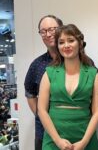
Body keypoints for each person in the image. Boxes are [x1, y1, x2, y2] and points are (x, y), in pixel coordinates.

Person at [37, 24, 98, 150]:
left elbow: (97, 112)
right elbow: (41, 110)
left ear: (80, 42)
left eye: (71, 40)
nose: (66, 45)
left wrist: (84, 142)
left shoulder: (93, 74)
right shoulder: (49, 73)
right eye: (61, 42)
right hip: (54, 140)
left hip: (85, 139)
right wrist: (58, 141)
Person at [24, 15, 63, 150]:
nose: (48, 34)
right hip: (44, 133)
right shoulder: (37, 65)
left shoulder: (80, 61)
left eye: (52, 29)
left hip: (75, 130)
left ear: (61, 29)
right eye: (43, 31)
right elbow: (29, 93)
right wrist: (41, 114)